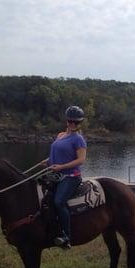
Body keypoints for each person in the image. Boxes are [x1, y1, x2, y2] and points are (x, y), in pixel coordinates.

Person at [44, 106, 87, 248]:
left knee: (58, 202)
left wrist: (61, 167)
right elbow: (57, 153)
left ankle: (66, 236)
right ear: (67, 121)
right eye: (70, 121)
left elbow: (81, 160)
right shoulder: (60, 135)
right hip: (55, 174)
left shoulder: (78, 139)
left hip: (71, 176)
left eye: (76, 122)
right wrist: (48, 161)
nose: (72, 124)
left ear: (80, 123)